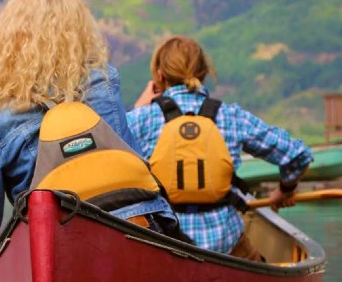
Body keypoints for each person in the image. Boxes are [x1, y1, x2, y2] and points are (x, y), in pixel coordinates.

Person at [0, 0, 179, 282]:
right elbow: (57, 86)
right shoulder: (105, 84)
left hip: (56, 264)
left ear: (9, 42)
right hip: (140, 238)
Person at [126, 35, 313, 261]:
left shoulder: (141, 119)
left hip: (165, 247)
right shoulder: (232, 116)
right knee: (256, 260)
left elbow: (103, 154)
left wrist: (138, 107)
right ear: (204, 73)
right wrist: (285, 189)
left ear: (159, 76)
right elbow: (297, 155)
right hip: (226, 247)